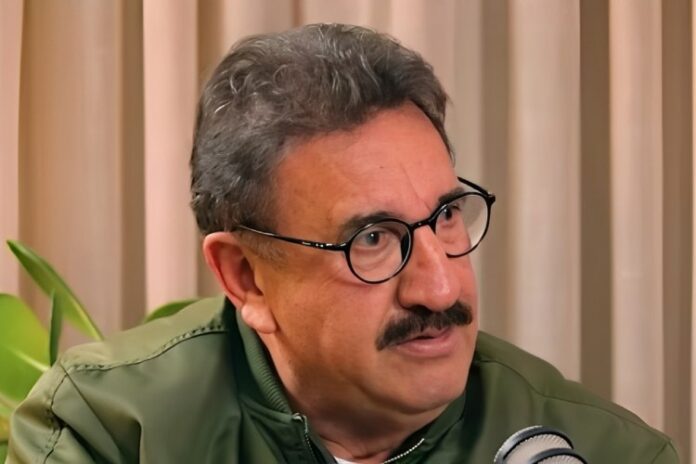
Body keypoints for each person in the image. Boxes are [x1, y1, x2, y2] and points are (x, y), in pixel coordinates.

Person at [8, 23, 678, 464]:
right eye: (373, 238)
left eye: (447, 215)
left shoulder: (604, 452)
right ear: (246, 277)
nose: (440, 286)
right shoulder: (108, 431)